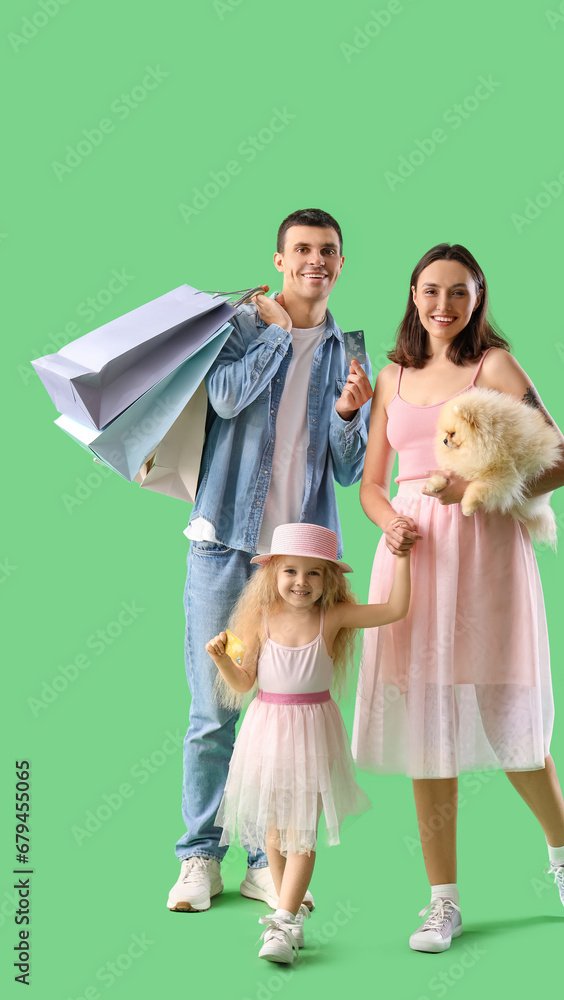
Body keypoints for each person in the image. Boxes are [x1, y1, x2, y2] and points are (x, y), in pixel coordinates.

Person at [352, 242, 564, 953]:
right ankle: (442, 903)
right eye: (431, 291)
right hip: (411, 555)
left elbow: (562, 462)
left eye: (458, 293)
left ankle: (561, 848)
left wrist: (473, 491)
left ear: (477, 298)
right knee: (427, 729)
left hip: (484, 550)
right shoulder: (393, 379)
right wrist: (389, 520)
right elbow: (372, 482)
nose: (442, 306)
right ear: (412, 293)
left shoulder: (493, 366)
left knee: (506, 714)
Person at [167, 209, 373, 913]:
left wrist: (349, 416)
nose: (316, 261)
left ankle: (264, 859)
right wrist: (279, 336)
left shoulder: (351, 352)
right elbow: (223, 398)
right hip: (226, 543)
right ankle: (199, 857)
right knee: (213, 711)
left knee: (281, 715)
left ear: (340, 264)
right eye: (303, 251)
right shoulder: (243, 327)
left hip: (298, 568)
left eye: (329, 252)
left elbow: (348, 472)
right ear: (280, 261)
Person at [205, 522, 413, 964]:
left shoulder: (331, 618)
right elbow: (243, 684)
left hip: (312, 734)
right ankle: (288, 913)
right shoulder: (260, 620)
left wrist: (402, 555)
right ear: (273, 573)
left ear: (330, 579)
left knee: (302, 834)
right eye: (291, 572)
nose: (301, 582)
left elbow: (395, 608)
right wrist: (223, 660)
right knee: (275, 834)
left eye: (314, 573)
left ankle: (281, 924)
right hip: (266, 732)